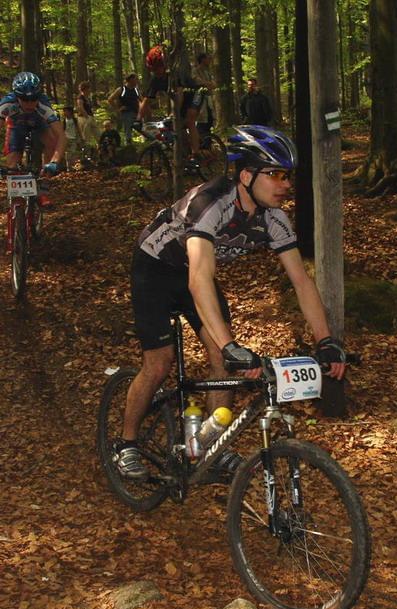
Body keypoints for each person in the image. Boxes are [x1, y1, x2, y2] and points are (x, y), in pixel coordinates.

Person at [114, 125, 347, 479]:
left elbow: (301, 281)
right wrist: (229, 345)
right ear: (247, 176)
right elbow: (198, 278)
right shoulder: (210, 204)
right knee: (159, 363)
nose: (286, 184)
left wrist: (325, 340)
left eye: (288, 176)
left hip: (196, 274)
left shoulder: (273, 218)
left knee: (222, 362)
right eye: (276, 175)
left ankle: (212, 447)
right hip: (156, 269)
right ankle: (127, 443)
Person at [0, 72, 65, 199]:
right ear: (17, 96)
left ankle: (44, 186)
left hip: (40, 124)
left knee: (52, 142)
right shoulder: (6, 104)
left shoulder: (44, 105)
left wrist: (55, 162)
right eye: (24, 99)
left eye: (34, 98)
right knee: (12, 164)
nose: (29, 104)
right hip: (17, 125)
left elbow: (61, 136)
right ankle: (16, 199)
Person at [184, 52, 216, 157]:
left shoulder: (207, 72)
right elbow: (197, 81)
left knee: (209, 123)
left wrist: (208, 84)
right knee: (201, 124)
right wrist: (206, 84)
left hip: (208, 100)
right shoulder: (195, 70)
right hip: (197, 100)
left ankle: (207, 148)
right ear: (202, 59)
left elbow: (213, 84)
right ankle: (200, 149)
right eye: (207, 58)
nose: (209, 60)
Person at [108, 73, 140, 145]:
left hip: (136, 112)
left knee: (141, 127)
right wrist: (117, 109)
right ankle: (128, 145)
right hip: (126, 113)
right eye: (135, 79)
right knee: (128, 130)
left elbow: (141, 100)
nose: (136, 81)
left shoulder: (136, 90)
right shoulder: (122, 89)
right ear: (131, 80)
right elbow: (110, 99)